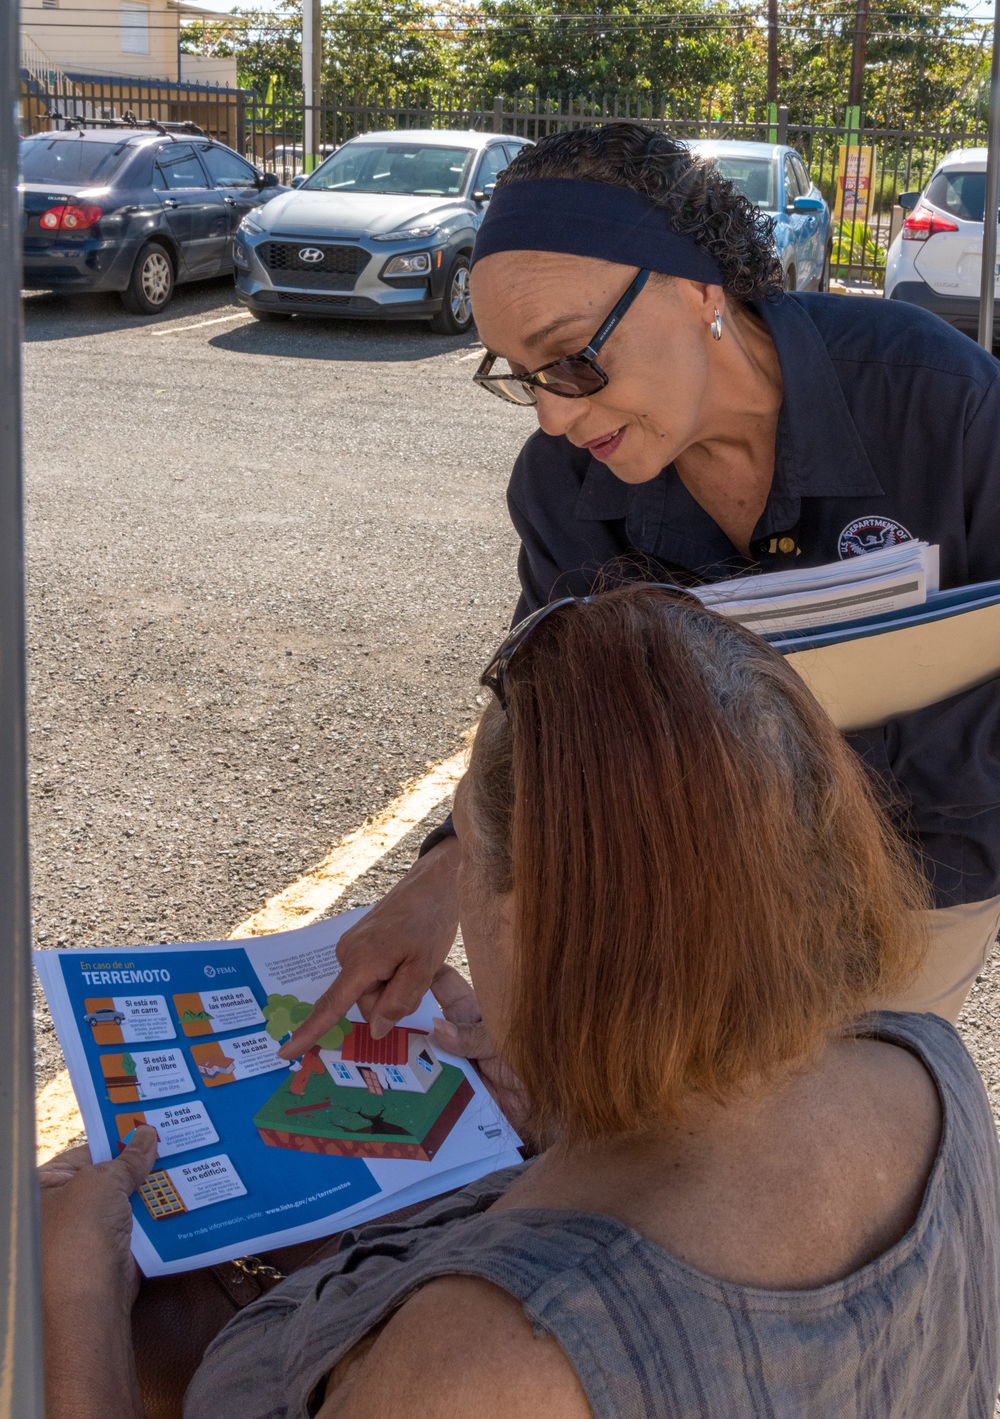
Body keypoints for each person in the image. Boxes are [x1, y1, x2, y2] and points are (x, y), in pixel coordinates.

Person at [41, 589, 1000, 1418]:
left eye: (467, 852)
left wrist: (73, 1295)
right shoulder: (920, 1061)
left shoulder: (492, 1359)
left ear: (537, 919)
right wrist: (558, 1119)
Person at [287, 122, 1000, 1059]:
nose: (554, 414)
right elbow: (538, 710)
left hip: (927, 875)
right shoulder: (562, 486)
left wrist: (780, 788)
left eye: (574, 356)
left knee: (830, 1116)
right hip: (701, 882)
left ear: (701, 287)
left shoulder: (934, 400)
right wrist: (441, 886)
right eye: (522, 376)